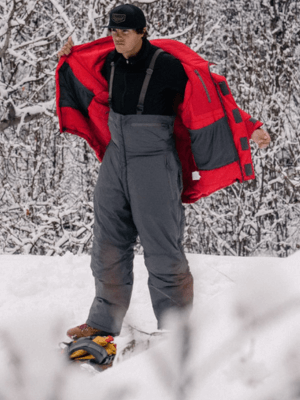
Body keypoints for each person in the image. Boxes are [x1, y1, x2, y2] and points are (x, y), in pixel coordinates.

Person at [57, 4, 271, 339]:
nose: (117, 37)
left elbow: (212, 102)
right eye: (113, 31)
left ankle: (174, 330)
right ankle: (101, 324)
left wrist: (251, 126)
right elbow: (85, 74)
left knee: (162, 249)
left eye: (124, 31)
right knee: (107, 245)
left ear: (143, 31)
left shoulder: (170, 67)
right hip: (116, 160)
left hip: (155, 161)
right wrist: (71, 56)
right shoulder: (111, 61)